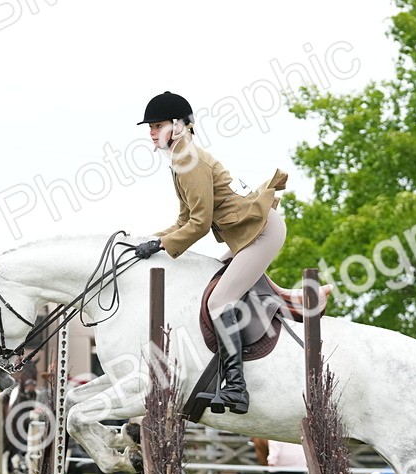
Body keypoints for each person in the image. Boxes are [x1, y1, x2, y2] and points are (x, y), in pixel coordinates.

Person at [132, 91, 330, 415]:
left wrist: (160, 245)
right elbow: (184, 220)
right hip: (249, 232)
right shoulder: (181, 159)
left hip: (261, 232)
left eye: (157, 126)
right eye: (150, 127)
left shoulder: (189, 160)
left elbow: (199, 224)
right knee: (212, 276)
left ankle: (236, 387)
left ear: (178, 126)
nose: (151, 133)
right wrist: (147, 240)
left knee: (218, 301)